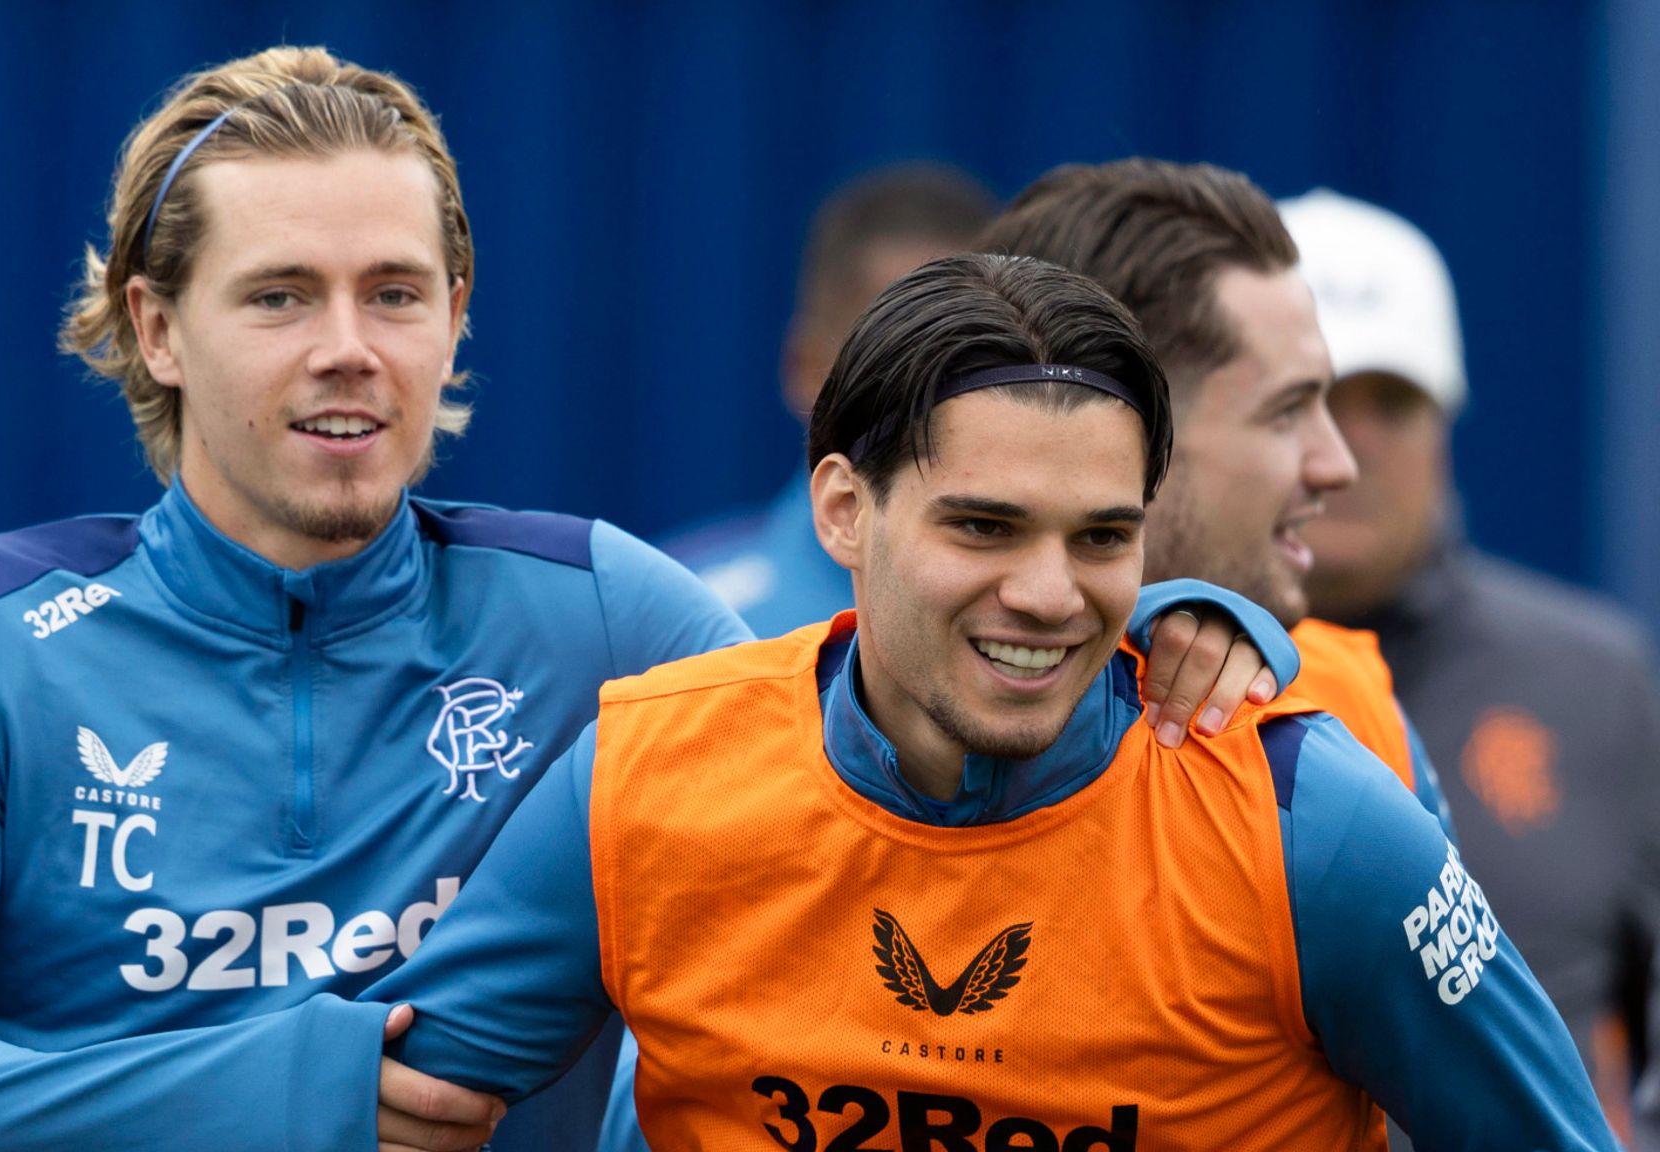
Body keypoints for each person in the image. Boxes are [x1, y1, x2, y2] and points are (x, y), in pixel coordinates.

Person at [0, 48, 1265, 1152]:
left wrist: (1186, 629)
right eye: (280, 295)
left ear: (457, 315)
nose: (349, 348)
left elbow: (905, 755)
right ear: (156, 326)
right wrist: (300, 1089)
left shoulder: (601, 611)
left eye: (396, 293)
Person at [369, 253, 1614, 1149]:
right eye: (983, 526)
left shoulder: (1306, 822)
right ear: (842, 509)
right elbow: (396, 1102)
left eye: (1099, 538)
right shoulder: (645, 773)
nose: (1048, 593)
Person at [1280, 187, 1660, 1146]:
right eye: (1308, 400)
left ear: (1446, 418)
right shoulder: (1135, 679)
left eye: (1389, 401)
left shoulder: (1597, 681)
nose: (1348, 444)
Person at [977, 160, 1450, 810]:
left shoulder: (1344, 711)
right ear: (1121, 436)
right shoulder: (812, 729)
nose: (1337, 466)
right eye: (1288, 411)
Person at [663, 162, 996, 637]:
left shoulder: (1090, 622)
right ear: (805, 368)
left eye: (975, 362)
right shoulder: (675, 617)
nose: (938, 398)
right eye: (893, 360)